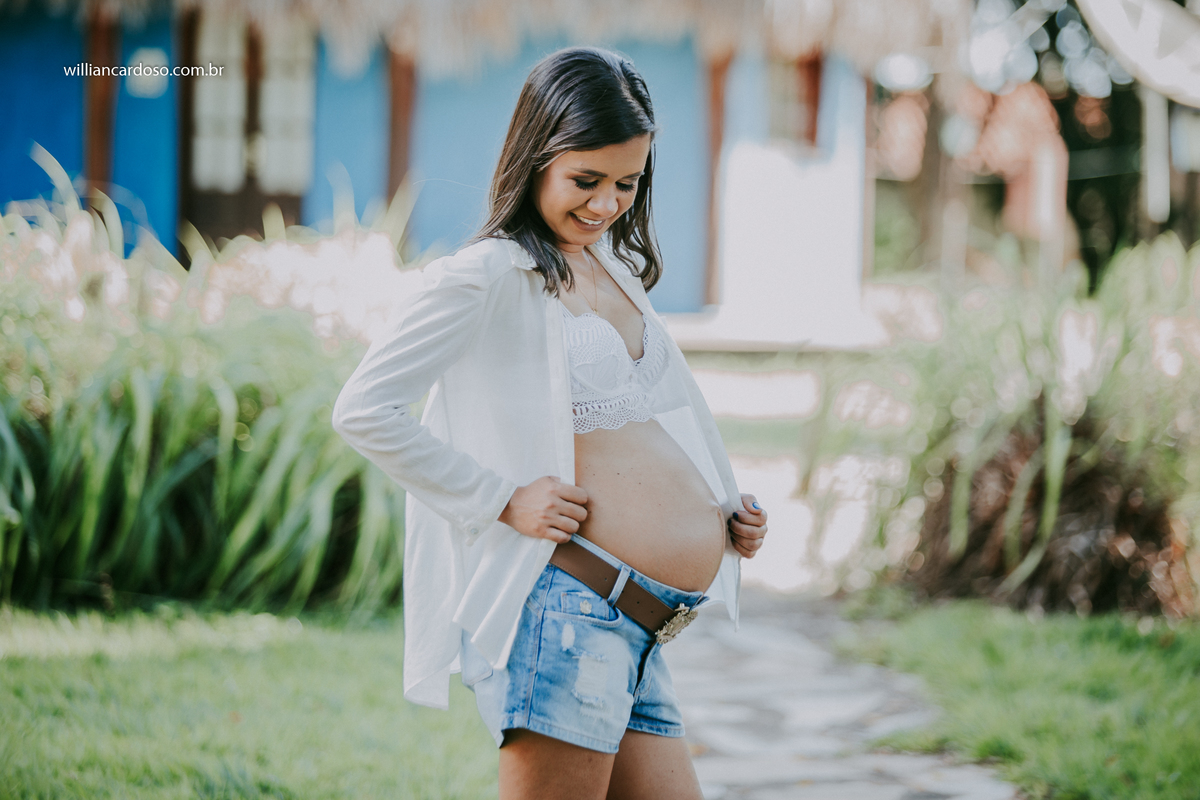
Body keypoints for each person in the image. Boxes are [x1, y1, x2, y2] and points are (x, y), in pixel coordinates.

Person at [332, 46, 769, 800]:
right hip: (568, 616)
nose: (606, 204)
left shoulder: (613, 270)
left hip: (639, 627)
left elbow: (636, 426)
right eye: (586, 180)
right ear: (536, 158)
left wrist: (725, 513)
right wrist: (502, 498)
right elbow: (364, 409)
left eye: (627, 183)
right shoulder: (485, 276)